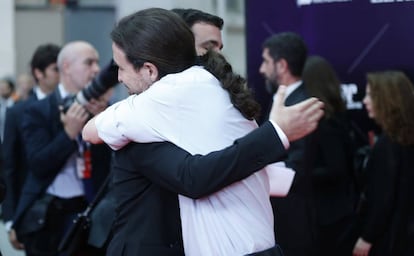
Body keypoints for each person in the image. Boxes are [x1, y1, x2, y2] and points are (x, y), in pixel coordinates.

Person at [82, 8, 323, 256]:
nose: (119, 77)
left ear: (150, 70)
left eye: (121, 68)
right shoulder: (213, 84)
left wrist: (276, 135)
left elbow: (90, 132)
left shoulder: (163, 97)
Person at [12, 41, 112, 256]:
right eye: (89, 63)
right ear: (66, 67)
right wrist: (68, 134)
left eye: (97, 62)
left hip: (90, 213)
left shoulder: (103, 108)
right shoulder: (37, 110)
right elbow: (37, 165)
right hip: (48, 217)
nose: (96, 69)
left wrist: (103, 121)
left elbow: (111, 166)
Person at [259, 31, 317, 256]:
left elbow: (298, 167)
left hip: (295, 220)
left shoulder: (302, 105)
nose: (261, 69)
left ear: (281, 65)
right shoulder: (285, 100)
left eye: (266, 61)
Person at [1, 43, 61, 251]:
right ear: (39, 73)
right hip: (32, 210)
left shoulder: (73, 107)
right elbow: (9, 167)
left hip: (69, 211)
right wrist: (11, 218)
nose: (61, 74)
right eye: (56, 69)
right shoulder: (17, 112)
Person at [352, 71, 414, 256]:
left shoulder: (388, 144)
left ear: (388, 99)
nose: (364, 101)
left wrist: (367, 238)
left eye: (370, 95)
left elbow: (383, 199)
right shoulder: (404, 138)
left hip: (392, 239)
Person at [303, 55, 359, 256]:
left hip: (332, 215)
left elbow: (336, 169)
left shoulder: (326, 123)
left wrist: (301, 174)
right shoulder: (335, 116)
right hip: (334, 210)